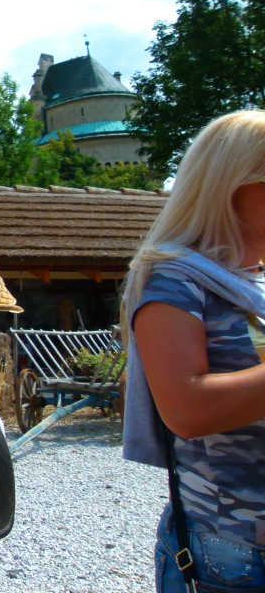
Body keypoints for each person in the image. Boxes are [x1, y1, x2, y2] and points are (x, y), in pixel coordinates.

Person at [121, 109, 265, 592]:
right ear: (232, 184)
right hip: (236, 550)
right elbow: (187, 409)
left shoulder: (256, 278)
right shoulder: (173, 281)